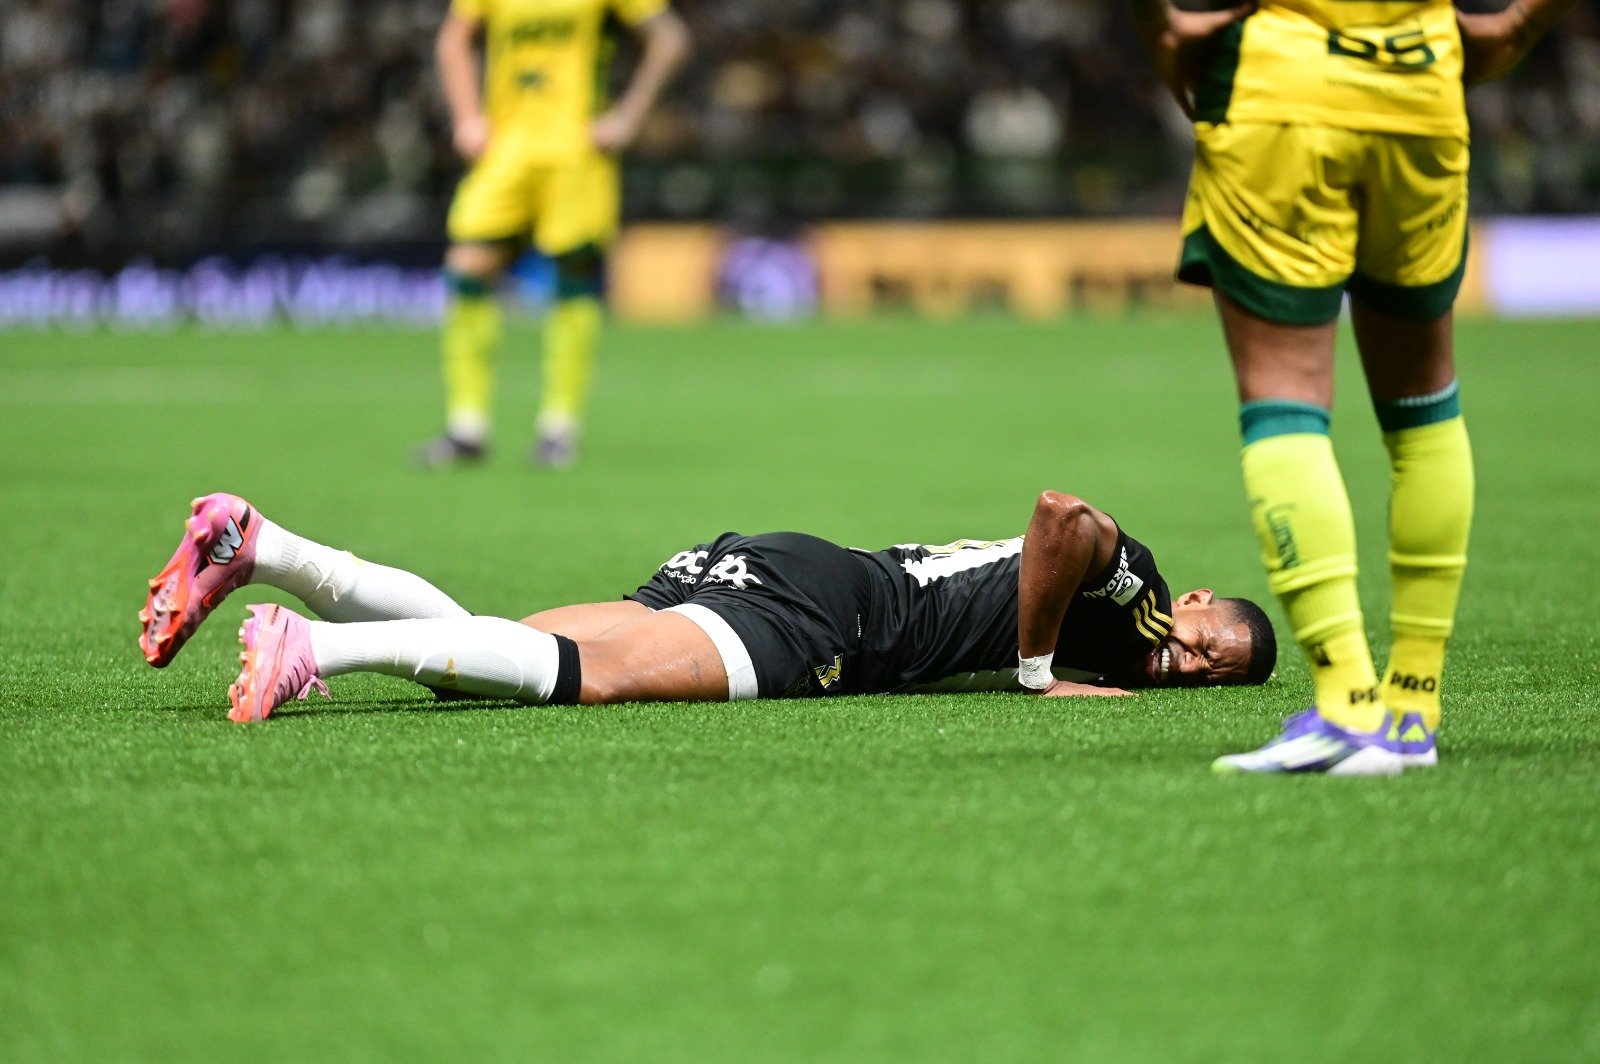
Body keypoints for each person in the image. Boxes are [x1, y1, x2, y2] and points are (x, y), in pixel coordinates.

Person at [1133, 0, 1580, 773]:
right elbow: (1507, 28)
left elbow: (1168, 28)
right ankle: (1413, 710)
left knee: (1286, 400)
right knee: (1424, 407)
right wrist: (1520, 26)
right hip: (1421, 78)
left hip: (1284, 75)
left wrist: (1159, 24)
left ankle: (1347, 708)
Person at [138, 492, 1276, 723]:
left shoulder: (1134, 652)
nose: (1193, 661)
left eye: (1212, 673)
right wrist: (1033, 672)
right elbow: (1064, 515)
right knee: (601, 682)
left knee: (503, 646)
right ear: (1196, 599)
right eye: (1208, 639)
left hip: (780, 560)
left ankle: (265, 545)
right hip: (834, 619)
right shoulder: (1137, 612)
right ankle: (315, 648)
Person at [417, 0, 690, 469]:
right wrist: (467, 116)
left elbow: (670, 38)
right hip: (508, 146)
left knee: (574, 277)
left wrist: (628, 116)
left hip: (576, 151)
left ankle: (559, 428)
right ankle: (467, 427)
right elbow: (453, 38)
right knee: (466, 269)